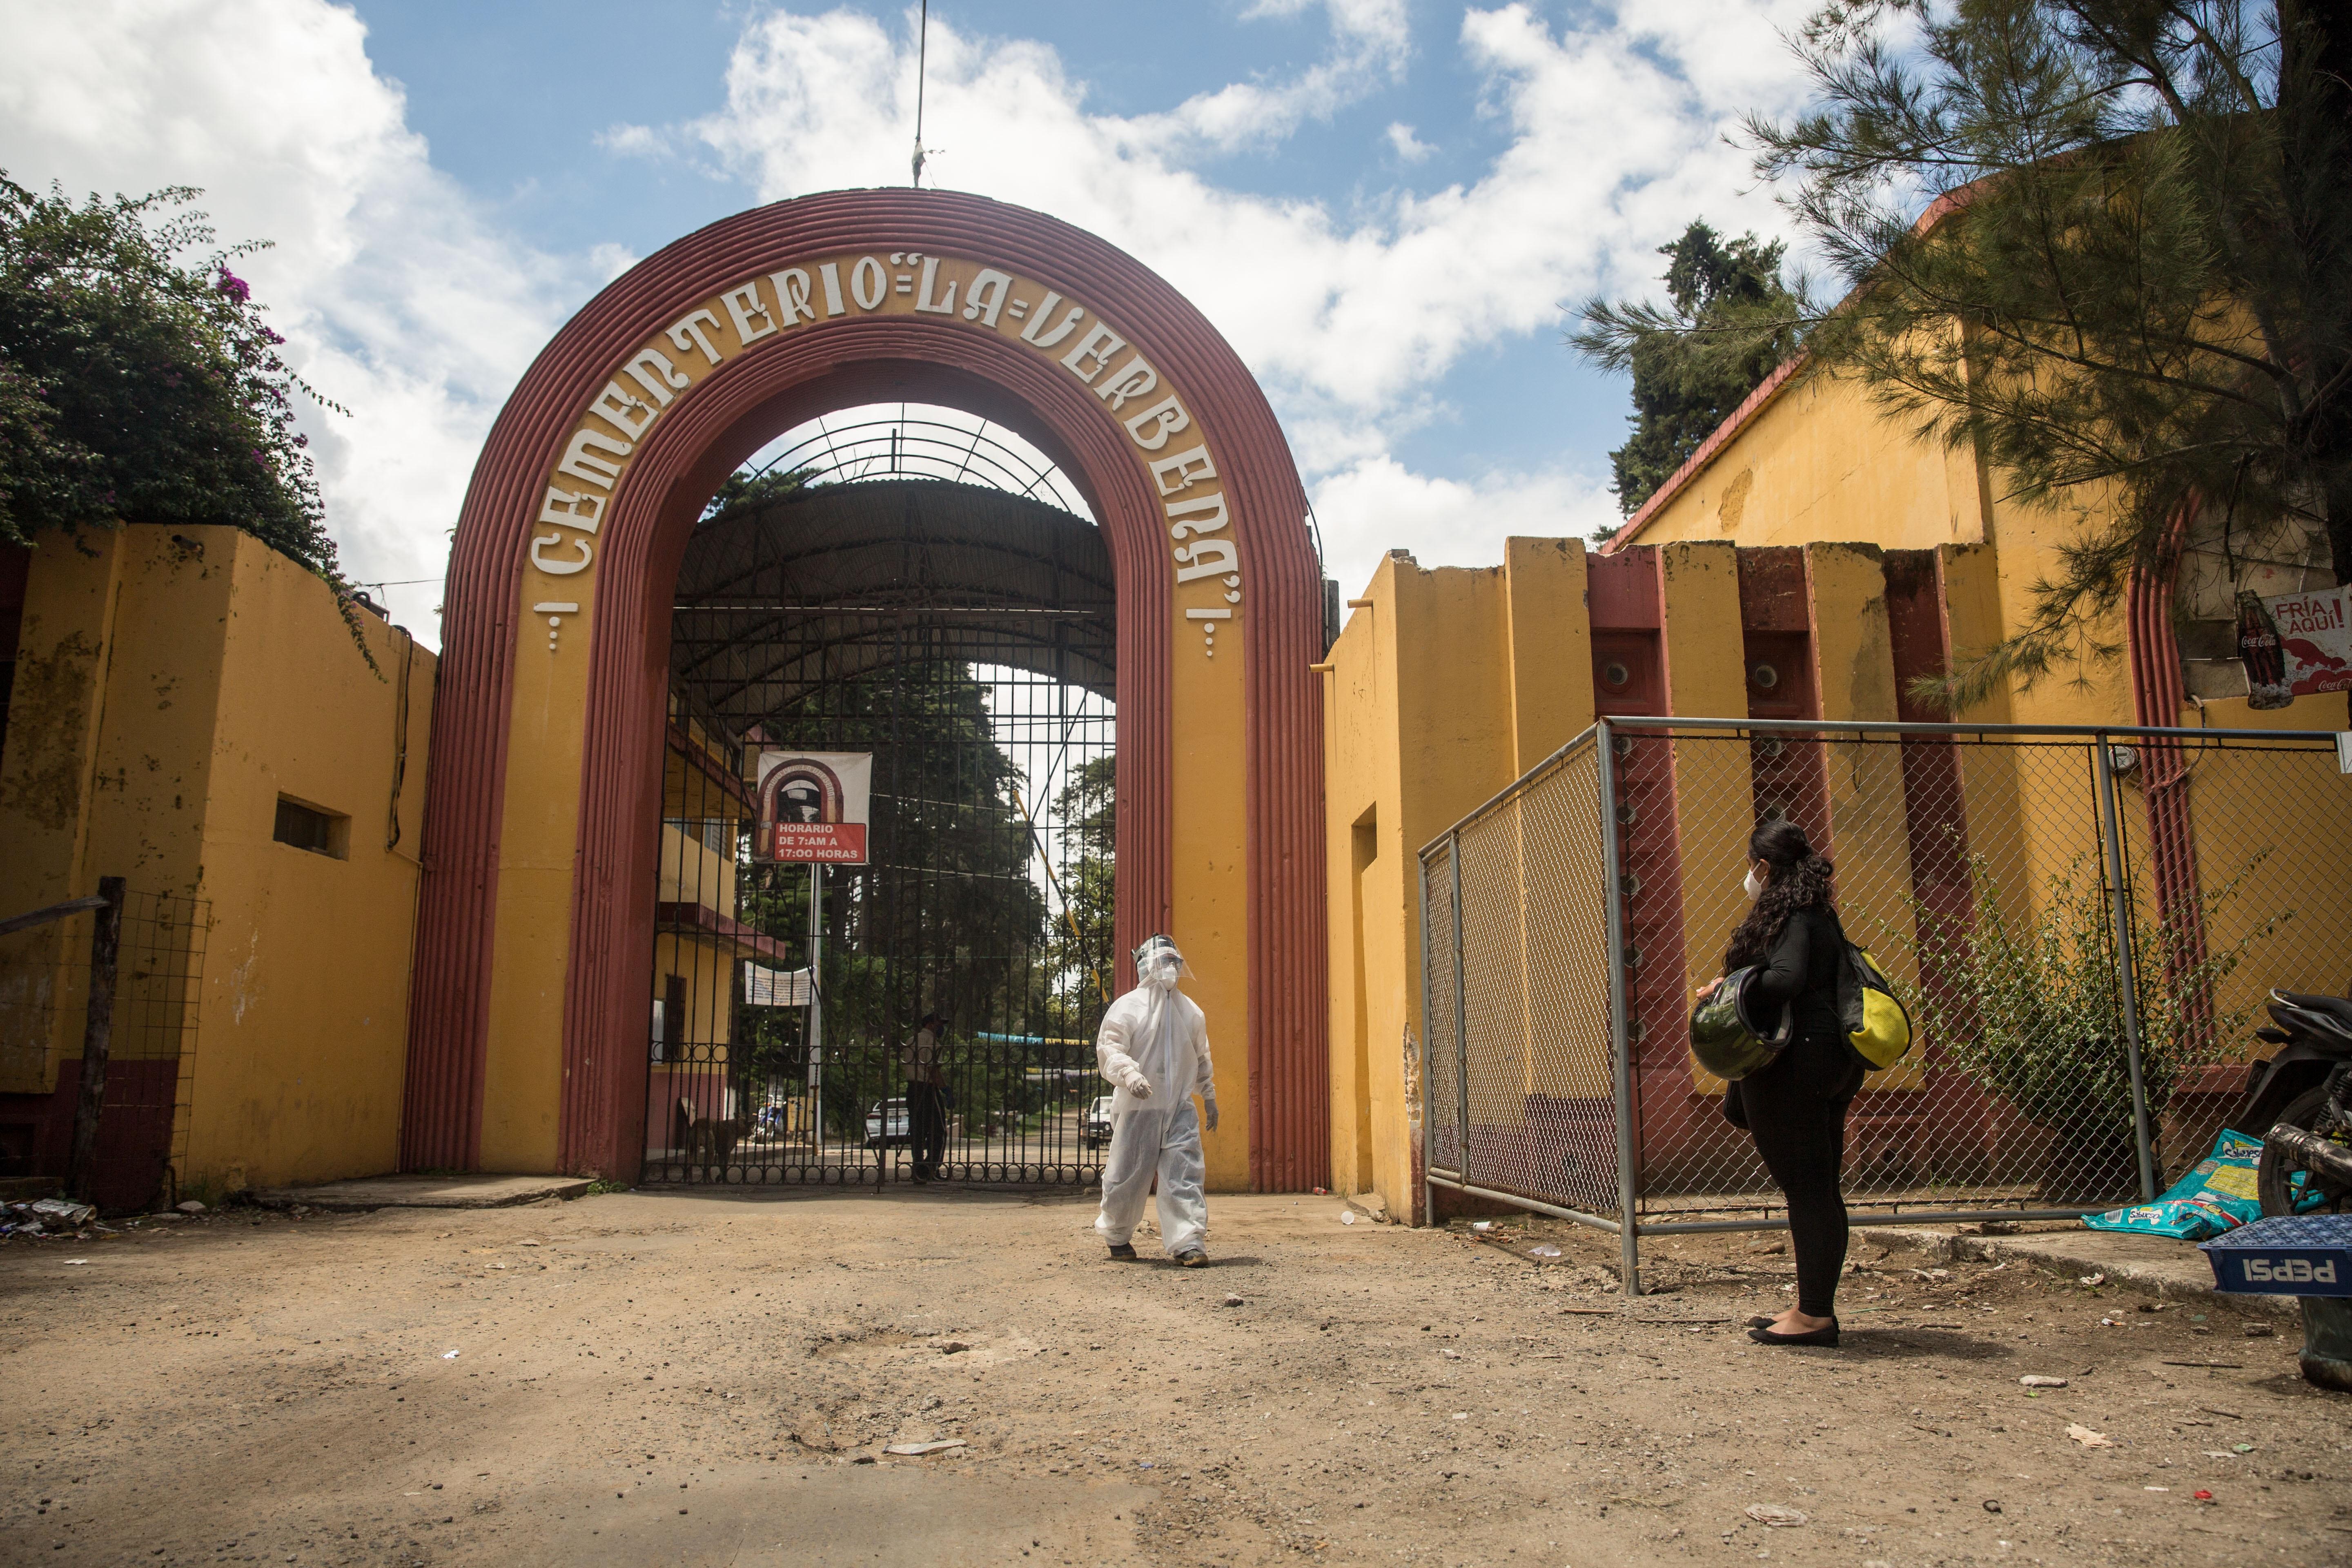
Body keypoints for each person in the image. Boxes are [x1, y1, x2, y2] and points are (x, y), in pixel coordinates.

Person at [1697, 820, 1863, 1347]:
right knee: (1819, 1187)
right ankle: (1812, 1307)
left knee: (1807, 1191)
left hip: (1798, 1063)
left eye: (1751, 865)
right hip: (1830, 1058)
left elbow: (1786, 978)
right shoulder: (1819, 915)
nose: (1748, 875)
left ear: (1764, 867)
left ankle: (1815, 1316)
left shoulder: (1791, 914)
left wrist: (1733, 984)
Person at [1094, 934, 1218, 1265]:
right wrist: (1129, 1075)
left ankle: (1188, 1242)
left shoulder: (1190, 1011)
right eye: (1165, 962)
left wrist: (1209, 1095)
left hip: (1178, 1108)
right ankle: (1117, 1235)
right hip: (1139, 1109)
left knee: (1185, 1174)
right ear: (1146, 966)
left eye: (1175, 962)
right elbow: (1110, 1048)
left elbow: (1200, 1056)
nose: (1172, 969)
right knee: (1127, 1175)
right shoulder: (1127, 1006)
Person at [900, 1010, 949, 1183]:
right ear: (930, 1025)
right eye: (939, 1025)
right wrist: (945, 1089)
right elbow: (933, 1070)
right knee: (939, 1130)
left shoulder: (910, 1041)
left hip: (912, 1089)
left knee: (918, 1130)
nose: (942, 1029)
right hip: (927, 1088)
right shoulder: (932, 1042)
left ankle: (918, 1166)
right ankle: (931, 1167)